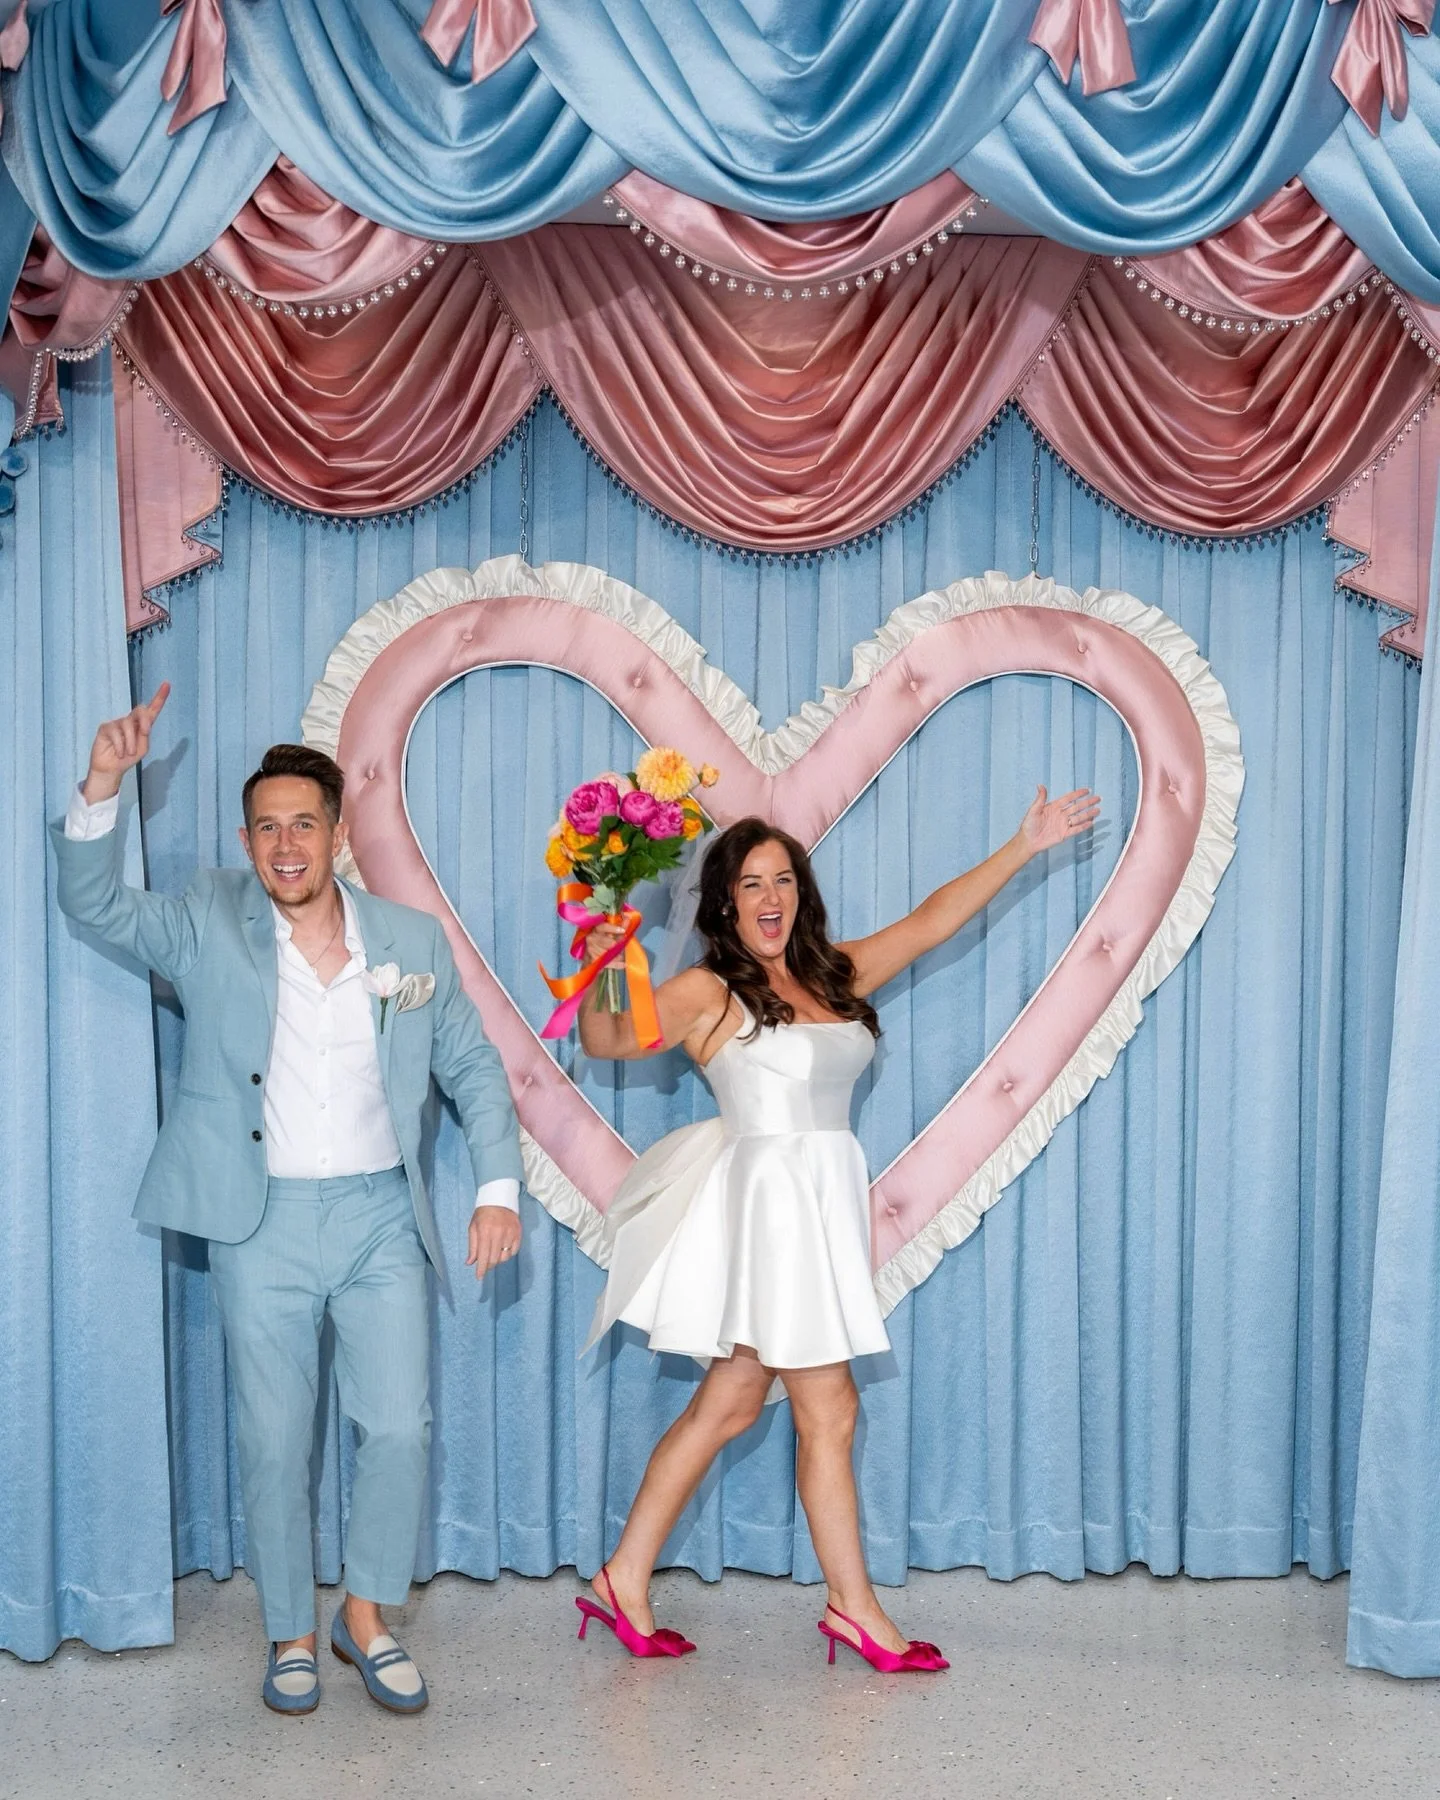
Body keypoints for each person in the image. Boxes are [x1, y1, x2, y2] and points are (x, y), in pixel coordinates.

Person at [52, 683, 524, 1716]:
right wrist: (101, 784)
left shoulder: (409, 940)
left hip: (378, 1222)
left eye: (303, 822)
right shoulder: (205, 919)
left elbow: (476, 1073)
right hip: (255, 1222)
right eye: (266, 827)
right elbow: (93, 905)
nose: (285, 843)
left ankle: (366, 1616)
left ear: (338, 831)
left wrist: (497, 1187)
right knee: (273, 1442)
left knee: (398, 1427)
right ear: (245, 838)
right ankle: (290, 1633)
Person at [573, 789, 1100, 1672]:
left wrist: (1022, 846)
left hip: (819, 1208)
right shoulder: (708, 988)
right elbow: (611, 1040)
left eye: (783, 878)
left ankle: (623, 1577)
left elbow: (932, 922)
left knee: (731, 1403)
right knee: (831, 1408)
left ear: (799, 894)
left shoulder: (831, 974)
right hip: (770, 1216)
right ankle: (855, 1610)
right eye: (750, 883)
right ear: (725, 903)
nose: (769, 895)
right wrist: (607, 959)